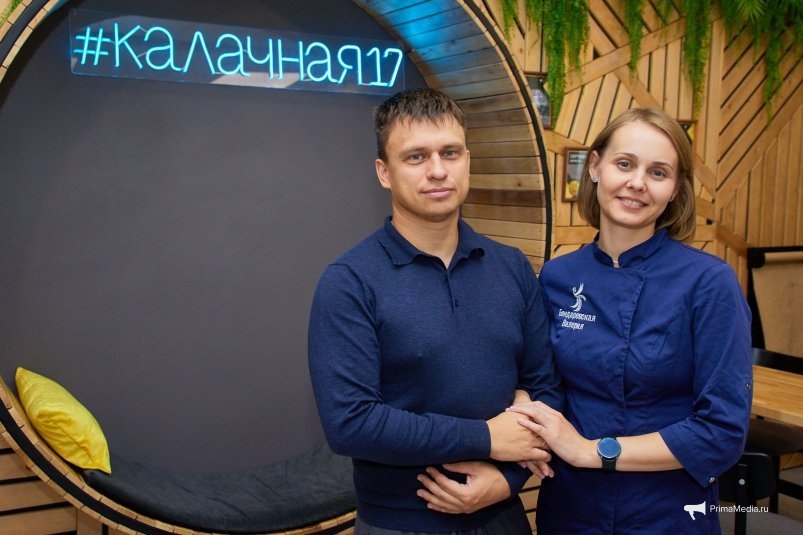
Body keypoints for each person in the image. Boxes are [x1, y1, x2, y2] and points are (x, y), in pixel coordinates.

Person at [307, 87, 564, 534]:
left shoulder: (511, 267)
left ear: (468, 160)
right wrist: (486, 438)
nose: (438, 170)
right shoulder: (349, 282)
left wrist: (506, 481)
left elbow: (546, 388)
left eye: (450, 152)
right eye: (416, 157)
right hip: (400, 524)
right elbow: (351, 423)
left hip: (504, 517)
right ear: (384, 173)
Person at [503, 107, 753, 533]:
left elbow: (722, 431)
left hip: (668, 512)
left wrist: (592, 451)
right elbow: (538, 378)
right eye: (624, 164)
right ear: (595, 167)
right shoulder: (559, 277)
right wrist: (523, 403)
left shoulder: (709, 283)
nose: (637, 183)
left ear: (675, 190)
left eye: (658, 172)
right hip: (571, 509)